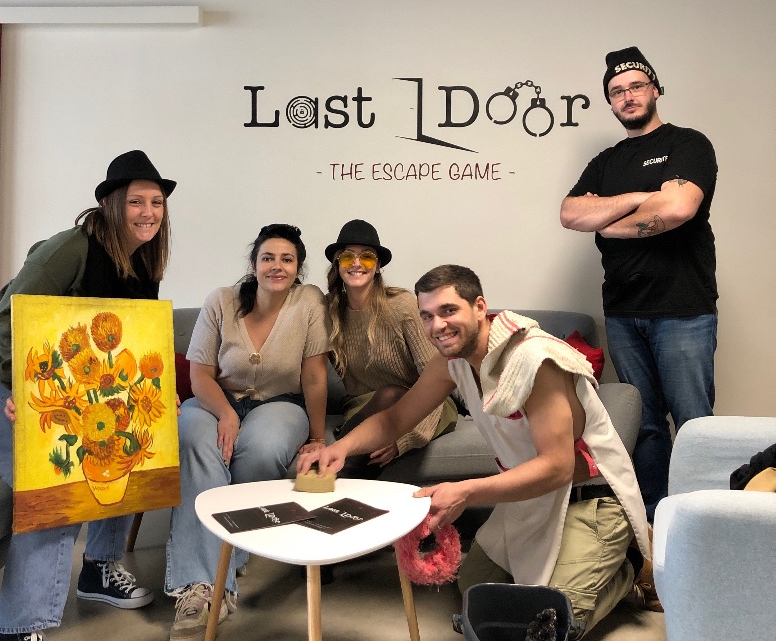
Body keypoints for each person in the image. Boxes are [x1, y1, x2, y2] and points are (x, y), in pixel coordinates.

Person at [299, 265, 654, 637]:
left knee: (546, 621)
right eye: (427, 316)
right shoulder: (451, 363)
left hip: (589, 498)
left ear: (480, 307)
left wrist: (466, 492)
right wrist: (340, 448)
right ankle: (603, 564)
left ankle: (628, 565)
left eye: (448, 311)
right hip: (531, 498)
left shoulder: (535, 361)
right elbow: (396, 419)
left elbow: (558, 467)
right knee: (474, 586)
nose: (437, 325)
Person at [0, 149, 176, 641]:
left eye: (156, 202)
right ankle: (20, 628)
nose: (148, 212)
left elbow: (132, 341)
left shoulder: (145, 261)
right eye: (136, 201)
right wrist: (22, 389)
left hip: (56, 375)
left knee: (129, 446)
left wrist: (153, 393)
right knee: (54, 485)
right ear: (111, 204)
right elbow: (7, 325)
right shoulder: (69, 248)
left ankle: (99, 568)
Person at [560, 46, 718, 523]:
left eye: (635, 86)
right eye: (616, 91)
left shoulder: (689, 144)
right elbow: (571, 213)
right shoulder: (605, 161)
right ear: (610, 102)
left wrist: (608, 220)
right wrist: (641, 196)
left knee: (693, 424)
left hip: (683, 309)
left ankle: (701, 522)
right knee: (644, 425)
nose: (627, 96)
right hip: (624, 312)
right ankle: (652, 522)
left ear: (654, 90)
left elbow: (679, 208)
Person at [166, 223, 331, 641]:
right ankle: (201, 586)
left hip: (281, 404)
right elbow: (200, 375)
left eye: (287, 259)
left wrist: (317, 437)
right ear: (254, 264)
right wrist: (225, 413)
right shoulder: (220, 301)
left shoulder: (309, 302)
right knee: (193, 437)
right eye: (268, 257)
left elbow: (314, 375)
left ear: (298, 268)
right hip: (215, 400)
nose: (277, 266)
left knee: (263, 447)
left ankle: (229, 554)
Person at [325, 219, 457, 474]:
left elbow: (436, 379)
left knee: (391, 395)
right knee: (386, 397)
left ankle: (335, 475)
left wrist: (406, 439)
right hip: (364, 407)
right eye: (347, 256)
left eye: (366, 257)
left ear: (377, 267)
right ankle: (342, 473)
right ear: (337, 264)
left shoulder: (402, 306)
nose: (356, 263)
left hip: (424, 403)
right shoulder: (329, 311)